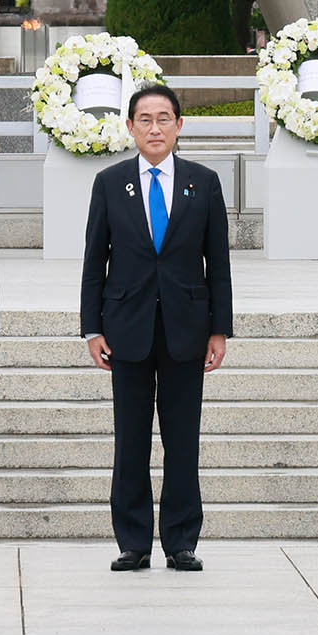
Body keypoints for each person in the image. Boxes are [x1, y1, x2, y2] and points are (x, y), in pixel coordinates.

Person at [80, 83, 232, 572]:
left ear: (179, 125)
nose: (154, 128)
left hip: (187, 328)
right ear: (129, 127)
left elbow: (219, 263)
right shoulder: (110, 182)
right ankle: (133, 541)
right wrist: (91, 328)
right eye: (144, 119)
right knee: (131, 440)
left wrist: (219, 329)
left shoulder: (203, 182)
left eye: (164, 118)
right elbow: (94, 261)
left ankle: (182, 540)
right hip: (126, 327)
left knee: (182, 439)